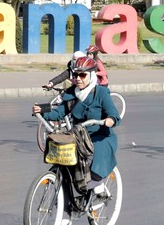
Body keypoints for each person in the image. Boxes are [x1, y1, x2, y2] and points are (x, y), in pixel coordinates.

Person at [32, 57, 119, 202]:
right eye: (76, 75)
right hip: (79, 136)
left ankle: (98, 185)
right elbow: (59, 112)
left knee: (92, 160)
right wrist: (41, 111)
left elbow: (114, 115)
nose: (78, 79)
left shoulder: (101, 93)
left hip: (100, 137)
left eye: (82, 75)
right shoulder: (72, 93)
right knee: (67, 159)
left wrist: (109, 120)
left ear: (91, 75)